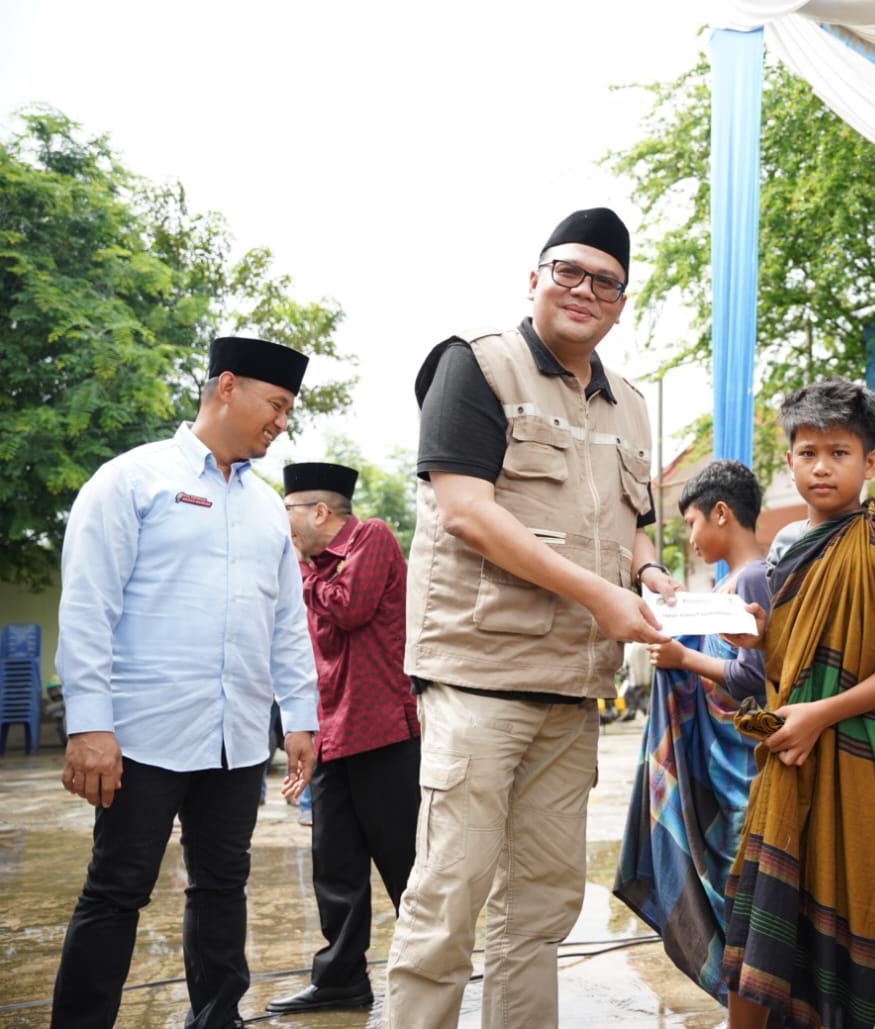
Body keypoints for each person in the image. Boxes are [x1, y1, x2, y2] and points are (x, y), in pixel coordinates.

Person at [385, 206, 680, 1029]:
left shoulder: (630, 405)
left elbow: (637, 528)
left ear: (622, 302)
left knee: (540, 915)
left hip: (570, 693)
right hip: (478, 682)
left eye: (606, 281)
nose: (585, 289)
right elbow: (466, 511)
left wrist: (650, 574)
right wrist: (600, 596)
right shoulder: (475, 364)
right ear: (536, 277)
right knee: (447, 901)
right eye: (569, 271)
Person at [51, 336, 319, 1029]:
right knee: (115, 891)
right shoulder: (133, 479)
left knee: (223, 885)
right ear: (226, 386)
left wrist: (301, 716)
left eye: (289, 409)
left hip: (233, 738)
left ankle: (217, 1019)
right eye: (276, 403)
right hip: (142, 734)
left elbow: (288, 621)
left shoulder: (266, 506)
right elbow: (88, 606)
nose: (282, 420)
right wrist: (89, 723)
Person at [720, 377, 875, 1029]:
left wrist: (822, 714)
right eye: (807, 452)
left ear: (871, 462)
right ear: (788, 462)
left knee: (868, 913)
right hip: (791, 753)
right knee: (769, 927)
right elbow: (786, 662)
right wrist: (757, 634)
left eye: (839, 452)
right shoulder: (782, 548)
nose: (821, 466)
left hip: (864, 754)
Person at [263, 461, 419, 1015]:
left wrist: (301, 573)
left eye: (289, 513)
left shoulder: (370, 537)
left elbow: (350, 607)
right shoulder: (309, 568)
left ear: (320, 512)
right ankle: (341, 980)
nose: (286, 526)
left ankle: (429, 968)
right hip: (332, 733)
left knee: (404, 862)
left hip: (382, 733)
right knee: (335, 865)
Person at [614, 459, 770, 1002]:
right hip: (727, 765)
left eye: (689, 523)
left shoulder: (751, 579)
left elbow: (752, 679)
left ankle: (751, 1003)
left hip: (741, 769)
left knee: (740, 891)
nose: (689, 537)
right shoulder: (729, 583)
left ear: (721, 514)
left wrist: (683, 657)